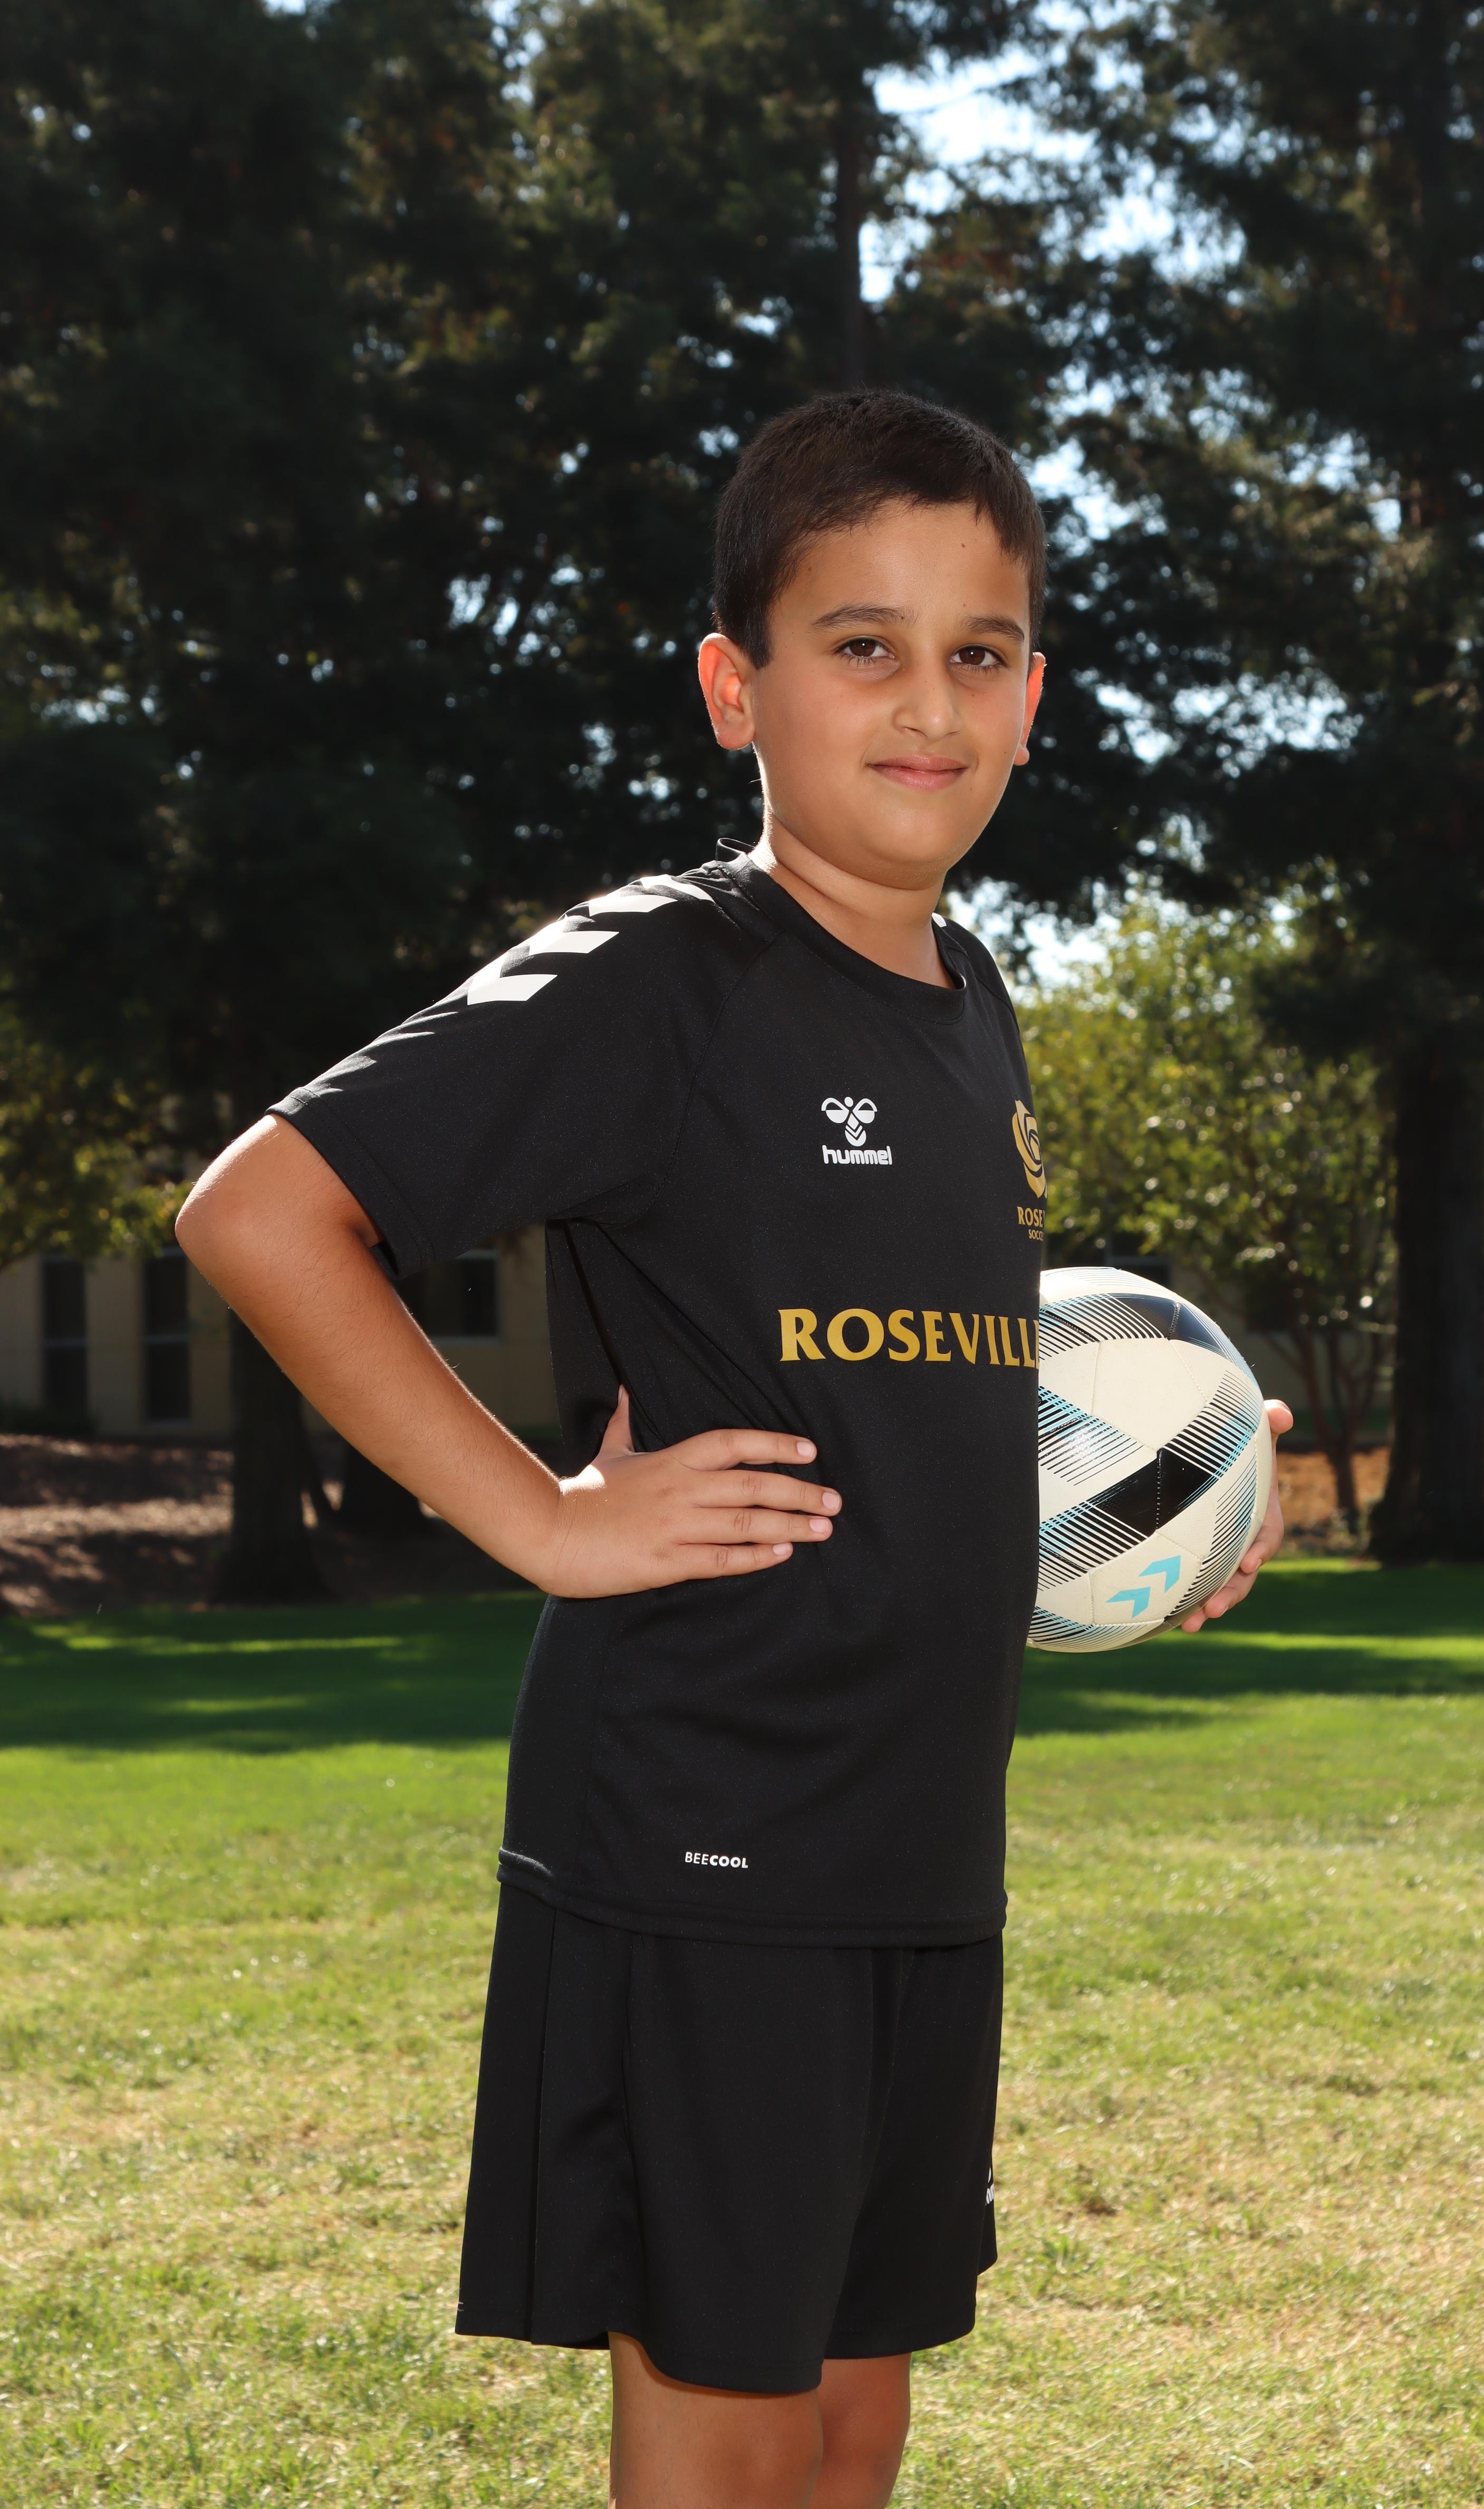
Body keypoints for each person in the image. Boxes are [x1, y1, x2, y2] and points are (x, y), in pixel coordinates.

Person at [177, 389, 1291, 2509]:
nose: (927, 703)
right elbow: (261, 1212)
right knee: (729, 2424)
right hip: (711, 1822)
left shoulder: (970, 1006)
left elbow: (922, 1400)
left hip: (915, 1845)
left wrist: (1150, 1522)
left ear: (1031, 694)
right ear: (733, 687)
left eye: (976, 651)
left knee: (858, 2414)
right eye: (861, 645)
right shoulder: (668, 976)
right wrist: (542, 1521)